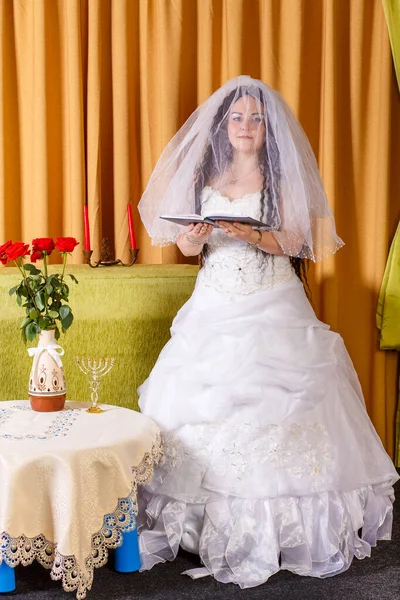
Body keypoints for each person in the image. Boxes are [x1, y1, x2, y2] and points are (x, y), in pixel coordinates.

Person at [136, 76, 399, 586]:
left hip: (272, 302)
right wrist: (195, 236)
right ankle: (200, 525)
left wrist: (251, 233)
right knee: (201, 402)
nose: (245, 126)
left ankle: (288, 527)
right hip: (213, 304)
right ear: (224, 127)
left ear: (267, 129)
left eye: (255, 119)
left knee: (283, 403)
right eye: (237, 118)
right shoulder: (209, 178)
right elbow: (191, 251)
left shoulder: (280, 181)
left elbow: (297, 241)